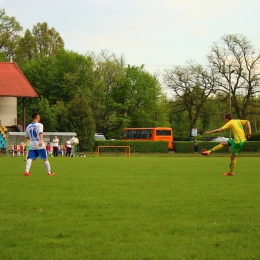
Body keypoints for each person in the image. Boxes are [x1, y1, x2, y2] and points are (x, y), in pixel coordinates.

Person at [24, 112, 55, 177]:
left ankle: (27, 171)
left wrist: (32, 139)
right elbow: (40, 133)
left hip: (32, 143)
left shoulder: (28, 126)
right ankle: (49, 173)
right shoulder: (39, 125)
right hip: (39, 143)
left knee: (30, 158)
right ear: (37, 117)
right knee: (45, 158)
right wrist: (41, 140)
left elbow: (27, 136)